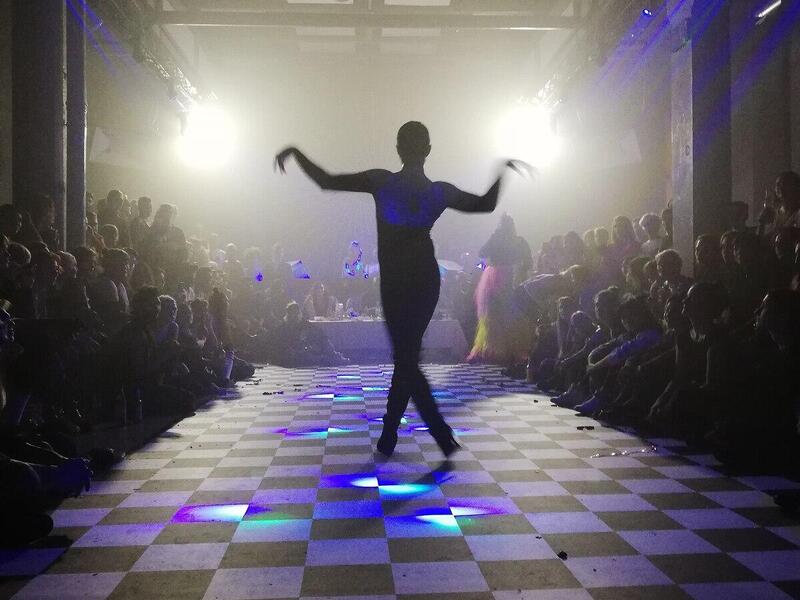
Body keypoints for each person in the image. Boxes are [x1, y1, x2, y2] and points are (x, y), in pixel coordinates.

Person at [275, 121, 530, 457]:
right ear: (427, 150)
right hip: (424, 279)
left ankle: (433, 432)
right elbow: (485, 204)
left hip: (398, 282)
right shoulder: (438, 191)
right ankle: (393, 431)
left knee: (406, 358)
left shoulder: (382, 181)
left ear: (398, 148)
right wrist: (502, 172)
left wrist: (295, 153)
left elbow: (326, 181)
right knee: (406, 358)